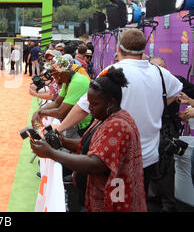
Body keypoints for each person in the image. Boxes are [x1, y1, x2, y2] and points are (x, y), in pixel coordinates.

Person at [54, 29, 183, 207]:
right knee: (135, 200)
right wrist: (153, 108)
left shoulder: (112, 72)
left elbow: (84, 106)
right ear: (144, 50)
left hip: (114, 159)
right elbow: (176, 91)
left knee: (108, 203)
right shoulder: (160, 73)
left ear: (119, 48)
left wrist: (58, 129)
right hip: (147, 158)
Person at [30, 66, 147, 212]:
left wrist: (51, 153)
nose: (90, 109)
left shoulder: (118, 125)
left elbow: (96, 163)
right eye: (90, 103)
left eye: (95, 104)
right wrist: (63, 142)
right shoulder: (105, 118)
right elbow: (92, 145)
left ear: (111, 102)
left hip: (112, 200)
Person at [149, 56, 194, 211]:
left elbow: (191, 95)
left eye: (162, 67)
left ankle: (168, 203)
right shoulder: (146, 83)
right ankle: (154, 195)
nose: (159, 71)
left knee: (165, 165)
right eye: (155, 68)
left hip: (168, 127)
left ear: (167, 68)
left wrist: (187, 108)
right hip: (149, 128)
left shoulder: (177, 81)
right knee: (150, 161)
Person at [31, 55, 92, 138]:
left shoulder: (77, 82)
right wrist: (39, 112)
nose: (51, 76)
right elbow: (57, 102)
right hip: (76, 123)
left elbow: (61, 112)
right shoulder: (68, 80)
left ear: (59, 73)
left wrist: (40, 112)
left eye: (52, 73)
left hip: (82, 126)